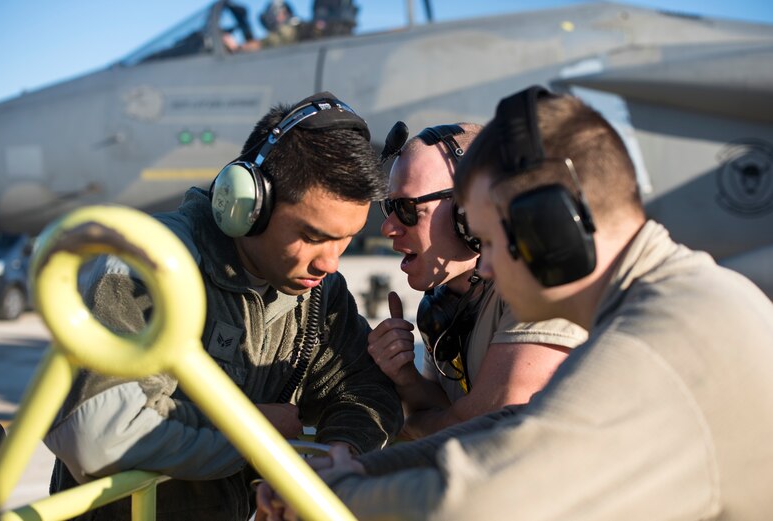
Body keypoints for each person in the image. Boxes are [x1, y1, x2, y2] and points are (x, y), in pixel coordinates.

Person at [258, 87, 773, 520]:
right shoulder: (668, 299)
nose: (484, 266)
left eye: (491, 239)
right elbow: (518, 426)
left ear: (551, 229)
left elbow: (477, 505)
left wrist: (334, 495)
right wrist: (365, 471)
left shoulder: (660, 336)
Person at [45, 91, 403, 521]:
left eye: (346, 240)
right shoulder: (149, 263)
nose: (330, 263)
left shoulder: (319, 294)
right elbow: (100, 433)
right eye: (311, 236)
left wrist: (335, 459)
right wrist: (256, 431)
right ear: (249, 205)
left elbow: (366, 392)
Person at [368, 122, 586, 439]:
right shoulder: (445, 303)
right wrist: (406, 378)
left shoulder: (539, 286)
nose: (388, 227)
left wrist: (409, 426)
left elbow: (487, 431)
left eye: (406, 209)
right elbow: (449, 412)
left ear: (468, 214)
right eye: (389, 206)